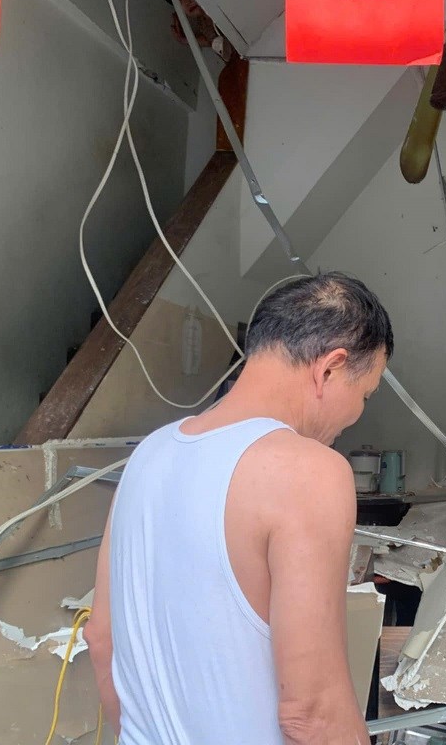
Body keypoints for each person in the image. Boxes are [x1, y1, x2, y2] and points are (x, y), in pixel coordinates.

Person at [85, 273, 394, 745]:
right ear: (330, 369)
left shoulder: (149, 453)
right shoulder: (309, 470)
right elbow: (312, 712)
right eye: (365, 394)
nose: (358, 412)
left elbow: (101, 637)